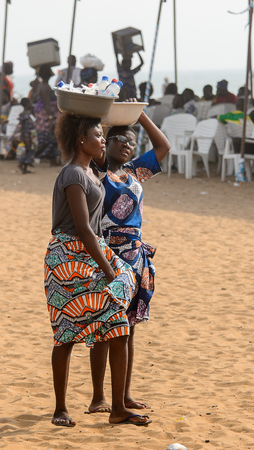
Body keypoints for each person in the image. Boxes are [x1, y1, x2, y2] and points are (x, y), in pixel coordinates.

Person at [45, 112, 151, 427]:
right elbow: (83, 228)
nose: (102, 140)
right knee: (66, 335)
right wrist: (109, 270)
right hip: (68, 258)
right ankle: (60, 408)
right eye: (97, 135)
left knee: (118, 326)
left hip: (92, 254)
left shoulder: (91, 173)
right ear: (81, 140)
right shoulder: (73, 175)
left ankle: (118, 408)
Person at [88, 99, 171, 414]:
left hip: (136, 258)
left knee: (127, 328)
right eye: (119, 140)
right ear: (106, 142)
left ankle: (123, 395)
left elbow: (163, 145)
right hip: (106, 256)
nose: (126, 146)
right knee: (103, 327)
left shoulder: (137, 172)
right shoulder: (95, 171)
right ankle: (98, 398)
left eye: (131, 143)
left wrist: (139, 115)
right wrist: (106, 125)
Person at [34, 65, 60, 164]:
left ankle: (52, 158)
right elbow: (47, 103)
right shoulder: (45, 87)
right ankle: (41, 156)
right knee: (49, 135)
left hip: (43, 113)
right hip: (45, 115)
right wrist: (50, 117)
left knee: (51, 135)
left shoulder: (42, 85)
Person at [5, 97, 36, 173]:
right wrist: (22, 137)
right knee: (23, 152)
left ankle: (25, 168)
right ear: (26, 104)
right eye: (29, 103)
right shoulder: (24, 114)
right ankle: (20, 165)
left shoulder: (28, 113)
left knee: (28, 151)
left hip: (29, 136)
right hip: (25, 136)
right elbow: (22, 126)